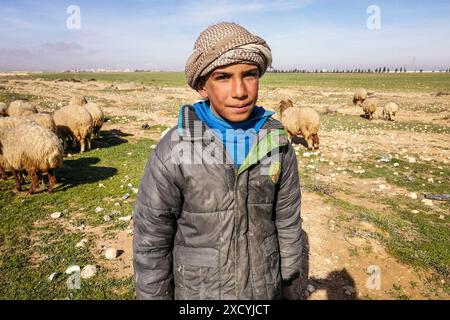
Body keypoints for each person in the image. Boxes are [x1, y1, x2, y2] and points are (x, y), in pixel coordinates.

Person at [133, 22, 302, 300]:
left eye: (250, 75)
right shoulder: (176, 148)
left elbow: (287, 220)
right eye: (223, 77)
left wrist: (288, 283)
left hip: (263, 290)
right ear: (202, 85)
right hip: (200, 294)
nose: (240, 91)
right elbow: (152, 239)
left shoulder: (276, 143)